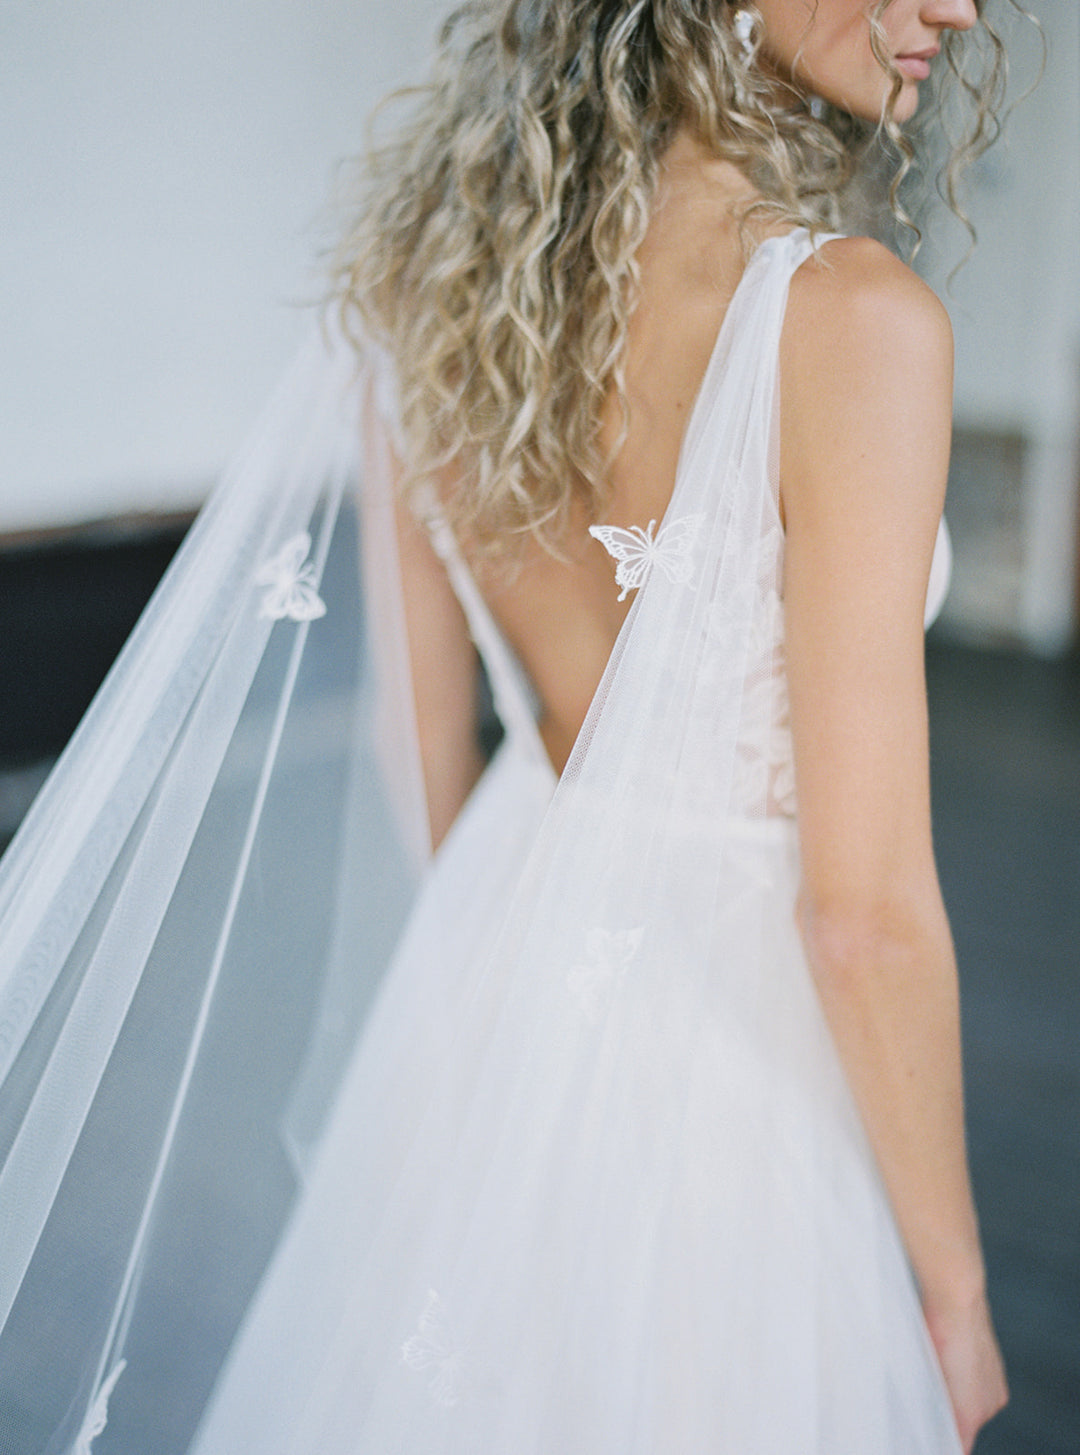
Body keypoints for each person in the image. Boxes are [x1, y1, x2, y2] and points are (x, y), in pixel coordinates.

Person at [0, 1, 1010, 1452]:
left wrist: (522, 1000)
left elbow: (425, 750)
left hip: (498, 944)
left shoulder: (426, 295)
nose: (958, 8)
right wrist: (957, 1289)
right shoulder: (857, 326)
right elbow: (860, 918)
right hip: (736, 1062)